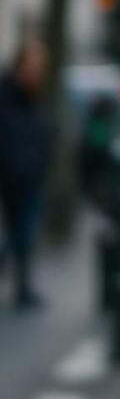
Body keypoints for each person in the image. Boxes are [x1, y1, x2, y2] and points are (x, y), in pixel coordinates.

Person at [0, 35, 51, 308]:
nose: (36, 73)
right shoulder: (7, 96)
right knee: (17, 234)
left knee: (23, 236)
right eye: (32, 67)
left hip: (30, 178)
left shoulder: (36, 98)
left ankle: (23, 287)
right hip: (11, 179)